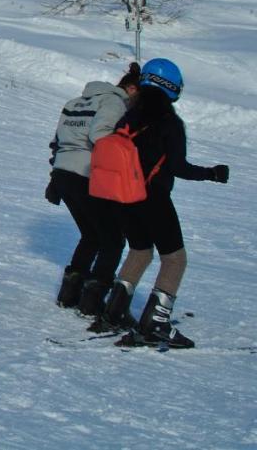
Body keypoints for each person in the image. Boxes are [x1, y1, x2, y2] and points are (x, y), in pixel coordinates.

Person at [95, 58, 231, 348]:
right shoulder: (169, 122)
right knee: (175, 259)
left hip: (123, 197)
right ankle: (155, 323)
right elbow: (178, 167)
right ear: (172, 88)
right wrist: (212, 173)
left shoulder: (128, 117)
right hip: (153, 198)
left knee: (141, 251)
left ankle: (114, 310)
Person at [45, 62, 141, 315]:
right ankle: (92, 302)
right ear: (131, 89)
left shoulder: (75, 102)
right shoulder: (113, 103)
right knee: (112, 240)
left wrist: (54, 178)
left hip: (63, 174)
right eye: (137, 98)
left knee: (91, 235)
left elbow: (56, 141)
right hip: (86, 174)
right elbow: (101, 135)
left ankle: (69, 295)